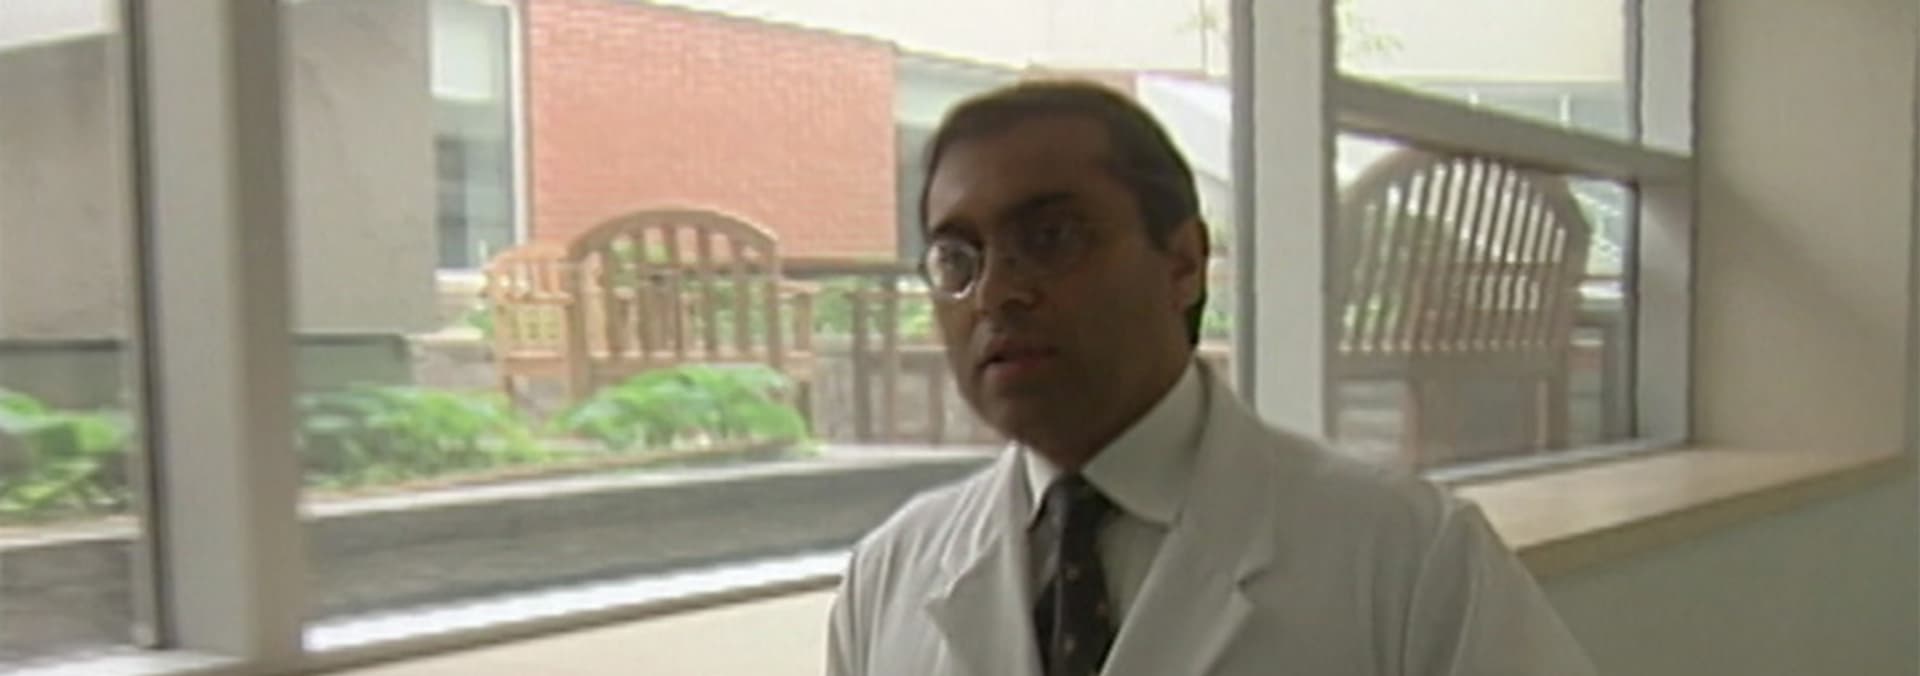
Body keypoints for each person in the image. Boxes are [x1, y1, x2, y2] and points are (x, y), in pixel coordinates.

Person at [826, 80, 1595, 676]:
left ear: (1184, 262)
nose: (997, 292)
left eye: (1052, 237)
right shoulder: (886, 579)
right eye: (957, 259)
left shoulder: (1411, 560)